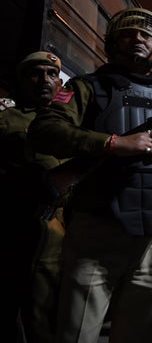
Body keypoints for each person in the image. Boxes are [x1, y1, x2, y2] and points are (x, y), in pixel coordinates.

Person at [28, 7, 152, 343]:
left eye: (147, 35)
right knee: (77, 332)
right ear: (113, 42)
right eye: (129, 32)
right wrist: (114, 143)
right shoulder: (87, 88)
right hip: (99, 228)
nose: (139, 39)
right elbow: (44, 129)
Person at [2, 51, 64, 343]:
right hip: (13, 222)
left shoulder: (70, 121)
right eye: (35, 73)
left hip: (58, 231)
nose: (45, 80)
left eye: (52, 74)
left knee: (47, 318)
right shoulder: (6, 115)